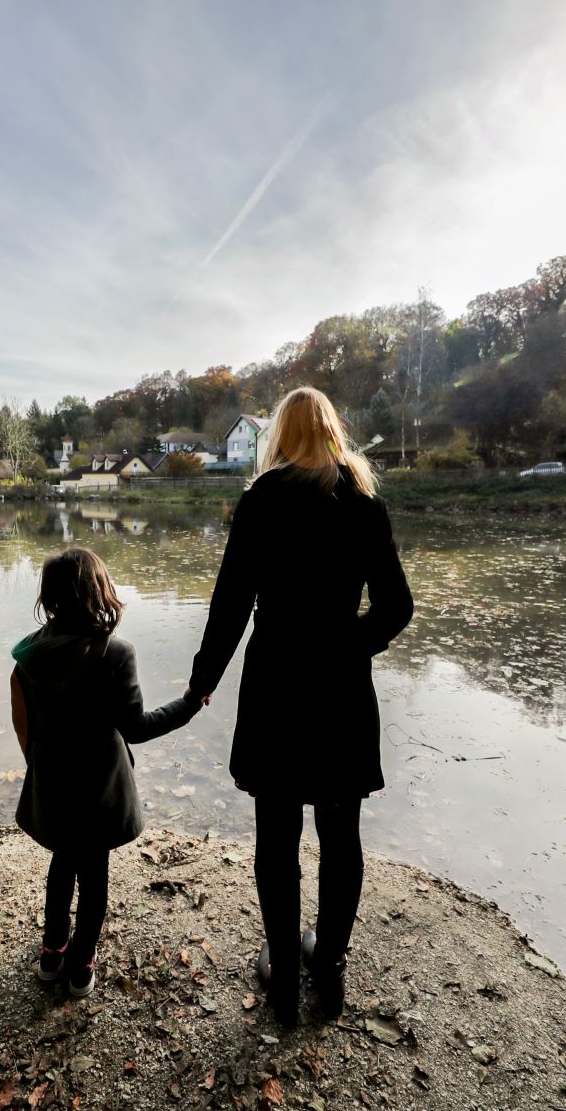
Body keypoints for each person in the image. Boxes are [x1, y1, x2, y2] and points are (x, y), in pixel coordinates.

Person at [188, 387, 413, 1027]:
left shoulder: (262, 499)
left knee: (276, 834)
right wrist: (350, 648)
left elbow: (231, 604)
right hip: (341, 688)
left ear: (280, 436)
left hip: (276, 683)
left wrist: (204, 679)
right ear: (334, 433)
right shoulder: (364, 501)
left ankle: (285, 979)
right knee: (341, 837)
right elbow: (397, 607)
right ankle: (330, 974)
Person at [10, 546, 200, 997]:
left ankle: (52, 954)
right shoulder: (115, 652)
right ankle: (80, 967)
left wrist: (39, 770)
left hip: (53, 785)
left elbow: (23, 722)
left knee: (61, 866)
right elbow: (137, 728)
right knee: (94, 877)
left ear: (50, 597)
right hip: (99, 791)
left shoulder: (29, 654)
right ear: (100, 592)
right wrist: (189, 703)